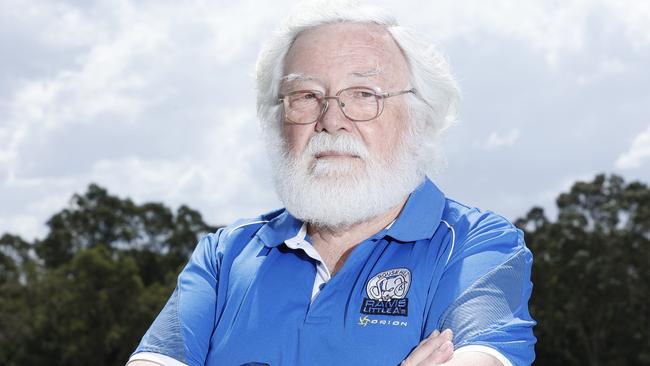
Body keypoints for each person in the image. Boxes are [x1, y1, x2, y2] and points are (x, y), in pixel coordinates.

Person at [127, 2, 536, 365]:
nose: (331, 120)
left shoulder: (476, 245)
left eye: (363, 94)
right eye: (305, 96)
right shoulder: (223, 256)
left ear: (420, 116)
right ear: (277, 120)